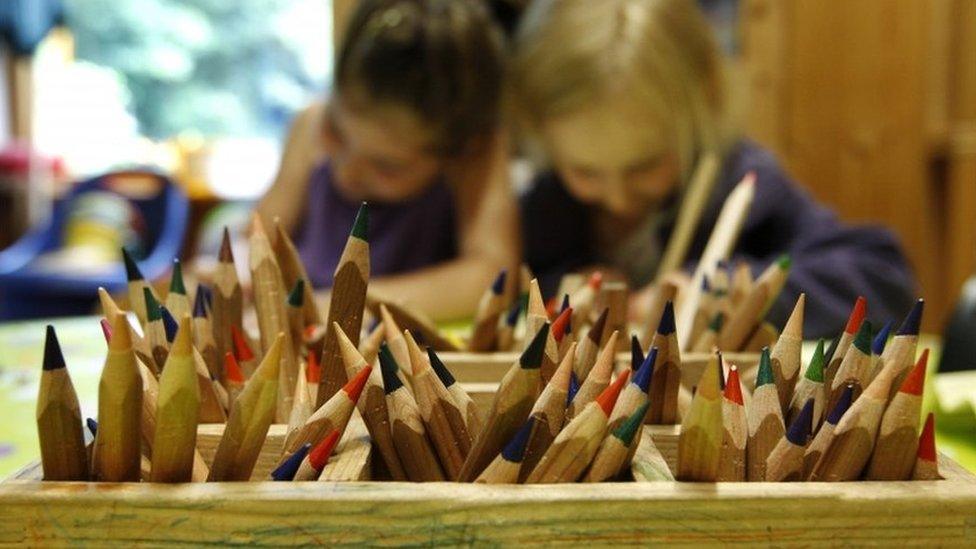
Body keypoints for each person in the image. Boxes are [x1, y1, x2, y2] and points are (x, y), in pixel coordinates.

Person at [511, 0, 916, 337]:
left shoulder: (744, 183)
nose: (617, 199)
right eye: (586, 172)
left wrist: (734, 293)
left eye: (644, 166)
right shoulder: (547, 206)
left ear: (707, 100)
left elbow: (883, 279)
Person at [257, 0, 518, 322]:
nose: (347, 170)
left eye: (387, 167)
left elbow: (493, 278)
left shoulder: (478, 152)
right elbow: (257, 238)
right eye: (335, 134)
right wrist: (239, 269)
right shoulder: (309, 123)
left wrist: (344, 304)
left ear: (457, 154)